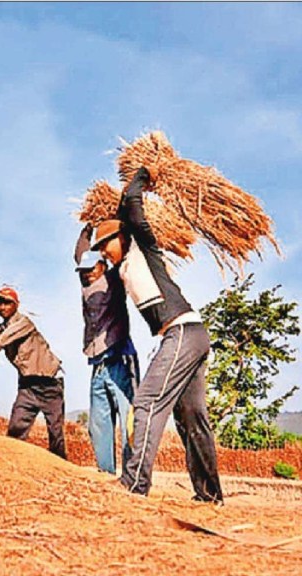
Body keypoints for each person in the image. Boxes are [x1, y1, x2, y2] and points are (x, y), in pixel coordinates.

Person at [91, 167, 222, 502]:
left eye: (105, 245)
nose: (103, 253)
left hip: (182, 332)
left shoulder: (141, 248)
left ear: (121, 237)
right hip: (191, 335)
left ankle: (135, 484)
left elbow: (132, 205)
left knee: (148, 402)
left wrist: (142, 175)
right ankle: (210, 495)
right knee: (192, 417)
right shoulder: (121, 269)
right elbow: (85, 250)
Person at [74, 227, 138, 475]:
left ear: (102, 265)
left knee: (129, 420)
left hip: (119, 357)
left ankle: (132, 476)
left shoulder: (113, 280)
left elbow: (126, 249)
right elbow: (79, 252)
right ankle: (106, 473)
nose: (87, 274)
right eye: (83, 271)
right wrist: (87, 229)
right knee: (98, 423)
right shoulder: (85, 286)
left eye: (92, 269)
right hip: (97, 364)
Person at [0, 287, 66, 459]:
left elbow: (2, 341)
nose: (2, 307)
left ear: (16, 305)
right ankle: (13, 467)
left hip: (49, 383)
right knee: (16, 429)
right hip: (27, 386)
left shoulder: (24, 323)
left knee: (55, 433)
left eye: (7, 302)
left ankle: (65, 472)